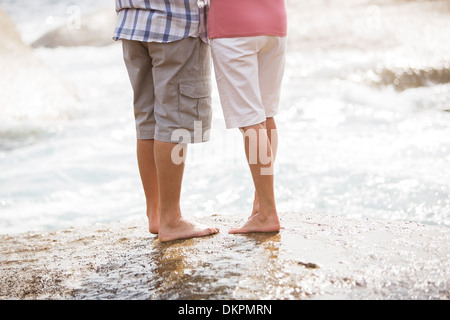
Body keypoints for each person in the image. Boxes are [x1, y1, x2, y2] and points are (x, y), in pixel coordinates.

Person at [113, 0, 219, 242]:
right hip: (176, 23)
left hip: (132, 22)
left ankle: (156, 214)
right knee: (175, 121)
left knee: (147, 118)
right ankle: (171, 220)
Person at [207, 0, 287, 233]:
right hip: (275, 23)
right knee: (266, 114)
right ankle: (261, 204)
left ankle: (267, 214)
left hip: (233, 28)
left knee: (250, 121)